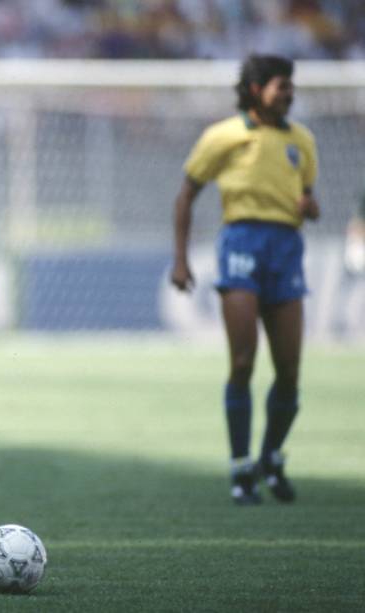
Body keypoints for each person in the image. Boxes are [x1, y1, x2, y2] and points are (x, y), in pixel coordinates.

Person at [170, 55, 319, 505]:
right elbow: (186, 195)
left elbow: (308, 198)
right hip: (241, 243)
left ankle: (270, 457)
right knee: (242, 361)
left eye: (291, 86)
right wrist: (180, 259)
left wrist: (310, 208)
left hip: (286, 247)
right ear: (256, 89)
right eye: (281, 86)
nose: (289, 94)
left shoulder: (302, 140)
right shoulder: (223, 136)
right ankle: (240, 466)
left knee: (290, 370)